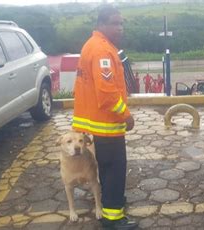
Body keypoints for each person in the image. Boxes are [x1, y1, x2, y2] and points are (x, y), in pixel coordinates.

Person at [72, 5, 137, 229]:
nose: (120, 28)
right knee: (114, 169)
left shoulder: (93, 45)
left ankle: (113, 200)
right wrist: (127, 116)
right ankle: (113, 217)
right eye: (115, 23)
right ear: (101, 24)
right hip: (107, 125)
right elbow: (107, 94)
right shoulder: (102, 51)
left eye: (122, 23)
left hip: (99, 124)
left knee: (109, 169)